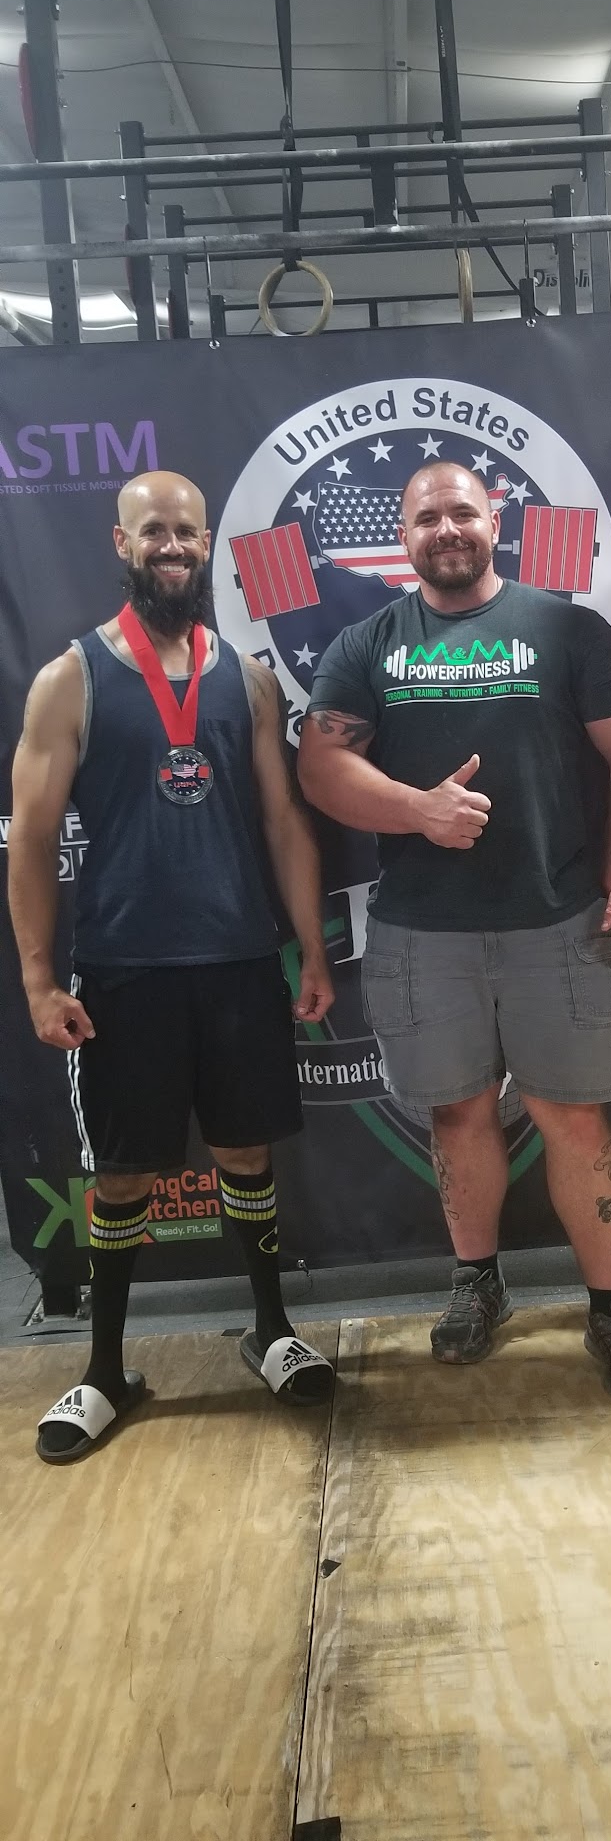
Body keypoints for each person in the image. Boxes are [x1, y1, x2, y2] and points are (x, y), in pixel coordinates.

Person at [298, 460, 611, 1403]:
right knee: (458, 1115)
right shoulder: (367, 643)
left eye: (462, 511)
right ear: (404, 537)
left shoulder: (564, 628)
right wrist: (418, 811)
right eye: (427, 518)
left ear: (494, 518)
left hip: (559, 921)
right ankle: (478, 1284)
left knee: (573, 1119)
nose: (447, 529)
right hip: (423, 934)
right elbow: (321, 767)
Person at [8, 470, 336, 1464]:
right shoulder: (69, 678)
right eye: (153, 530)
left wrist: (312, 946)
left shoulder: (248, 678)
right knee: (122, 1174)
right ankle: (107, 1369)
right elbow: (30, 841)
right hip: (125, 971)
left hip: (237, 963)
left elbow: (283, 820)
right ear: (122, 543)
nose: (172, 546)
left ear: (206, 544)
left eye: (187, 531)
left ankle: (270, 1331)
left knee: (246, 1154)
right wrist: (38, 981)